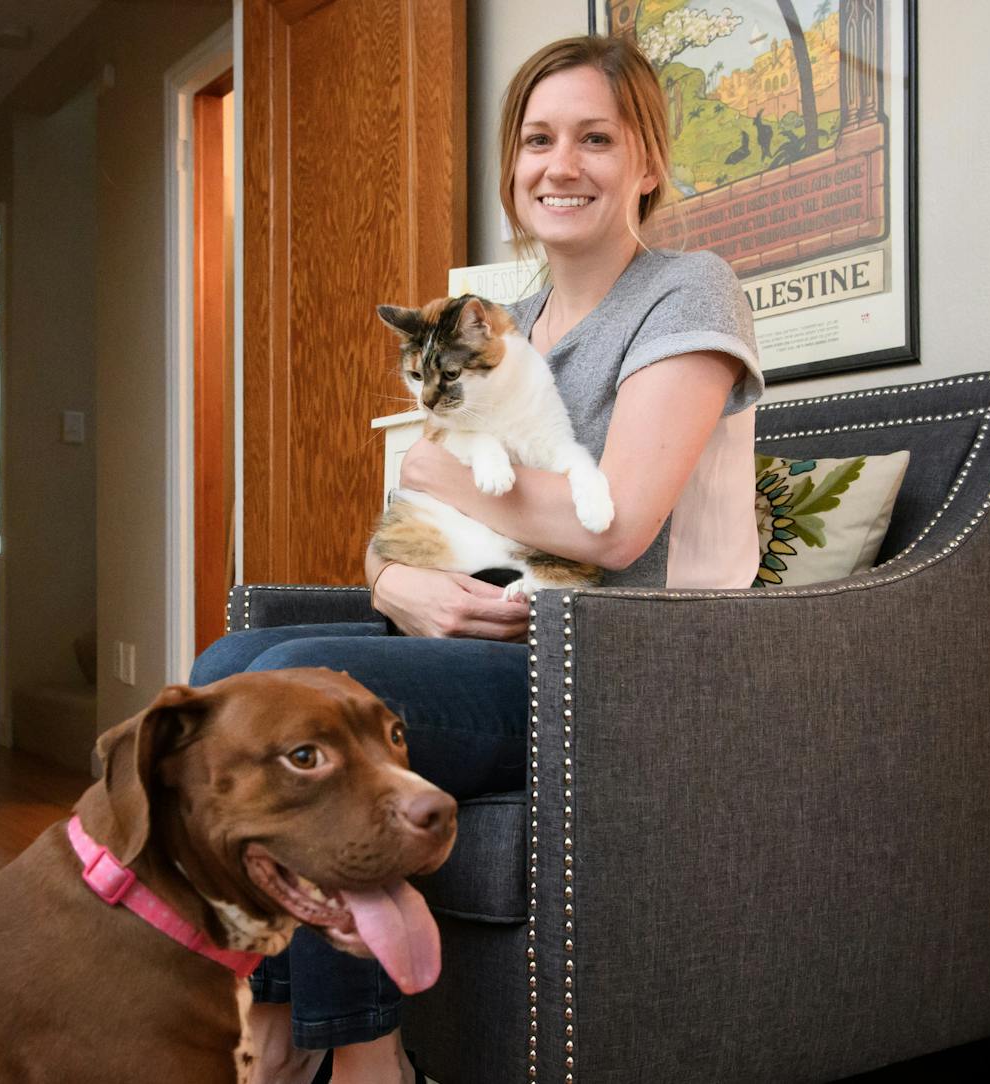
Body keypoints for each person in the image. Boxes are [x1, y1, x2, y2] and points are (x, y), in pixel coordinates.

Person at [191, 33, 763, 1084]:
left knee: (259, 697)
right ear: (511, 169)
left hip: (623, 667)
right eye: (537, 140)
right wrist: (391, 583)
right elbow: (411, 523)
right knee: (230, 667)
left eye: (596, 138)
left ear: (646, 164)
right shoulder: (510, 325)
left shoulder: (688, 290)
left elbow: (615, 525)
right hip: (498, 644)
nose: (561, 164)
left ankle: (357, 1059)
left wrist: (446, 475)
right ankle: (276, 1034)